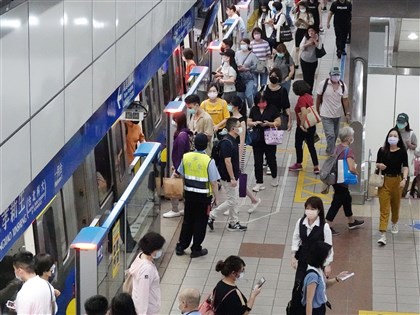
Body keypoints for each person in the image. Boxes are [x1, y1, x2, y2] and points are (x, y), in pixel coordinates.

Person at [175, 133, 221, 258]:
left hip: (189, 195)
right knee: (201, 222)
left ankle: (181, 246)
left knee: (187, 220)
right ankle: (196, 249)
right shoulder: (209, 161)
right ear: (206, 145)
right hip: (203, 198)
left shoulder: (186, 157)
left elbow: (179, 173)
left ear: (194, 144)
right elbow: (214, 182)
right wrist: (217, 198)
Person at [208, 118, 247, 232]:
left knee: (233, 199)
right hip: (228, 177)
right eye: (239, 126)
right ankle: (212, 215)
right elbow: (227, 161)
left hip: (232, 175)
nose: (240, 128)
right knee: (232, 200)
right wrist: (232, 178)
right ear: (233, 128)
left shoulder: (233, 140)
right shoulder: (227, 142)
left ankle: (233, 222)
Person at [325, 126, 365, 235]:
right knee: (337, 202)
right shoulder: (348, 151)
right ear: (348, 138)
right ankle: (327, 224)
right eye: (351, 136)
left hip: (335, 179)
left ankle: (351, 221)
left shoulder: (337, 148)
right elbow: (351, 168)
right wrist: (357, 174)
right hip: (343, 180)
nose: (352, 138)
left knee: (347, 198)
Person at [376, 128, 408, 246]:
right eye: (390, 135)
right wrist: (380, 165)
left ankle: (394, 222)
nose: (392, 137)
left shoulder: (402, 151)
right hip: (384, 181)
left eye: (395, 136)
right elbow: (377, 163)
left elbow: (405, 166)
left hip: (397, 181)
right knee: (384, 208)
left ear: (398, 138)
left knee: (395, 205)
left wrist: (404, 179)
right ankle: (382, 234)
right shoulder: (382, 150)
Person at [302, 241, 353, 315]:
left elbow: (324, 284)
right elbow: (309, 301)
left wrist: (337, 278)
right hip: (314, 310)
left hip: (320, 306)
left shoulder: (319, 269)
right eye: (326, 256)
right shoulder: (312, 276)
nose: (328, 259)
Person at [229, 96, 261, 213]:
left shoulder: (241, 120)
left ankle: (239, 204)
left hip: (238, 149)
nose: (229, 105)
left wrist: (239, 154)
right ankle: (253, 200)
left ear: (236, 106)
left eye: (230, 104)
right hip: (231, 148)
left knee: (237, 177)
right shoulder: (231, 117)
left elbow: (242, 139)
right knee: (236, 178)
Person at [291, 196, 333, 283]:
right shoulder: (300, 222)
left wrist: (327, 264)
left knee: (314, 283)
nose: (309, 211)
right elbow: (296, 238)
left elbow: (329, 247)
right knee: (299, 284)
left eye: (313, 209)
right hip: (302, 258)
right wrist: (293, 256)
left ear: (319, 210)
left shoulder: (324, 227)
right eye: (307, 208)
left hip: (316, 261)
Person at [247, 93, 281, 192]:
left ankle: (274, 177)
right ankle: (259, 182)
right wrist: (254, 123)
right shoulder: (254, 110)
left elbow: (278, 122)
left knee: (271, 158)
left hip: (270, 137)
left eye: (263, 102)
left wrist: (269, 124)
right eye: (259, 103)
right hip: (257, 139)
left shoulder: (272, 109)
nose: (261, 104)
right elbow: (249, 121)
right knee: (257, 161)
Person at [163, 112, 192, 218]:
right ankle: (187, 209)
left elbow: (180, 154)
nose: (173, 122)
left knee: (172, 188)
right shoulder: (185, 133)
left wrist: (177, 170)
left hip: (181, 168)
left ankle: (175, 209)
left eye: (174, 120)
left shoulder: (181, 137)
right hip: (182, 167)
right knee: (184, 189)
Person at [315, 67, 350, 156]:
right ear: (330, 75)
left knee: (335, 134)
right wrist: (317, 109)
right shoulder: (323, 84)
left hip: (337, 115)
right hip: (325, 114)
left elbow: (345, 100)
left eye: (338, 75)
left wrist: (347, 113)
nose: (336, 76)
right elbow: (318, 98)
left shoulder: (343, 86)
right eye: (334, 74)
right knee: (330, 135)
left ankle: (329, 148)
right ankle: (331, 152)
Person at [130, 232, 165, 315]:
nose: (160, 250)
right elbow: (143, 294)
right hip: (148, 310)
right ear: (153, 250)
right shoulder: (147, 270)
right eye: (159, 248)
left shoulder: (141, 256)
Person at [288, 80, 320, 174]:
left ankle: (298, 164)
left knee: (298, 144)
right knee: (311, 146)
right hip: (311, 125)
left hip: (303, 127)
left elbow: (304, 112)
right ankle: (316, 166)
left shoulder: (301, 99)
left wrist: (302, 125)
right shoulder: (309, 96)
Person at [13, 251, 57, 315]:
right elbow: (54, 309)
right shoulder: (48, 285)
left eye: (14, 269)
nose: (14, 272)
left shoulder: (24, 294)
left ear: (20, 270)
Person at [394, 113, 418, 197]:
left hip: (406, 159)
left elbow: (415, 146)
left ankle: (403, 193)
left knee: (405, 176)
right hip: (394, 158)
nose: (400, 124)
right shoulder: (394, 132)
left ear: (406, 123)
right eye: (399, 121)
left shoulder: (411, 134)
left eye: (402, 122)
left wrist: (410, 145)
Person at [264, 68, 292, 132]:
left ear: (278, 78)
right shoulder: (264, 88)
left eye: (275, 76)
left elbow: (287, 107)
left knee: (275, 139)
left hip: (277, 118)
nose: (272, 77)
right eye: (271, 75)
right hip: (265, 117)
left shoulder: (282, 91)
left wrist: (289, 122)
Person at [235, 38, 258, 109]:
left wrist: (246, 68)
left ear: (248, 45)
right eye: (241, 44)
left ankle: (252, 109)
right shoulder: (237, 53)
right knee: (240, 97)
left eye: (244, 44)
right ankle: (242, 112)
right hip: (240, 79)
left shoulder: (252, 55)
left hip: (249, 78)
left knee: (248, 95)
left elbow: (255, 66)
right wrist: (238, 67)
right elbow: (235, 62)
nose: (242, 45)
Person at [299, 25, 322, 90]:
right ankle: (306, 91)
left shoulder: (318, 37)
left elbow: (319, 47)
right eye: (309, 31)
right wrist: (308, 44)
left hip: (313, 61)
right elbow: (301, 47)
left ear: (315, 31)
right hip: (304, 60)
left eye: (312, 31)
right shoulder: (305, 37)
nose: (311, 32)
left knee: (311, 77)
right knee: (306, 77)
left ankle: (310, 90)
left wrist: (314, 40)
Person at [250, 27, 271, 93]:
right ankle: (255, 98)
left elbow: (268, 55)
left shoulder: (266, 43)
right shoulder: (251, 44)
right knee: (254, 85)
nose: (256, 35)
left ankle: (262, 98)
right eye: (255, 33)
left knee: (263, 84)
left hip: (263, 65)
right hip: (254, 66)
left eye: (258, 33)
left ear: (261, 34)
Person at [294, 1, 314, 68]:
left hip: (306, 31)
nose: (301, 8)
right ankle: (296, 62)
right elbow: (295, 24)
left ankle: (304, 61)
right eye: (300, 7)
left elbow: (311, 24)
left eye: (302, 7)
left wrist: (304, 21)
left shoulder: (309, 14)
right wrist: (298, 22)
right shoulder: (297, 14)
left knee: (304, 47)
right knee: (297, 48)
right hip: (299, 31)